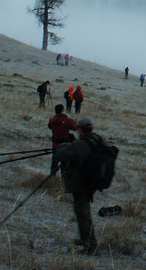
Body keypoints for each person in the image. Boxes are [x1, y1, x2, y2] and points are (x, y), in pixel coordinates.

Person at [53, 117, 102, 254]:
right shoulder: (97, 139)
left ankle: (91, 246)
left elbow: (60, 154)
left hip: (82, 183)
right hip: (92, 182)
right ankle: (85, 239)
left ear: (80, 129)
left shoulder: (81, 144)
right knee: (81, 212)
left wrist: (65, 144)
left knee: (83, 213)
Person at [48, 104, 78, 174]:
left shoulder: (51, 120)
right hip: (65, 145)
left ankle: (51, 179)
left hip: (55, 145)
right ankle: (63, 181)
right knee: (64, 165)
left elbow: (49, 127)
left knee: (54, 163)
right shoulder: (67, 120)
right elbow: (75, 127)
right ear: (62, 111)